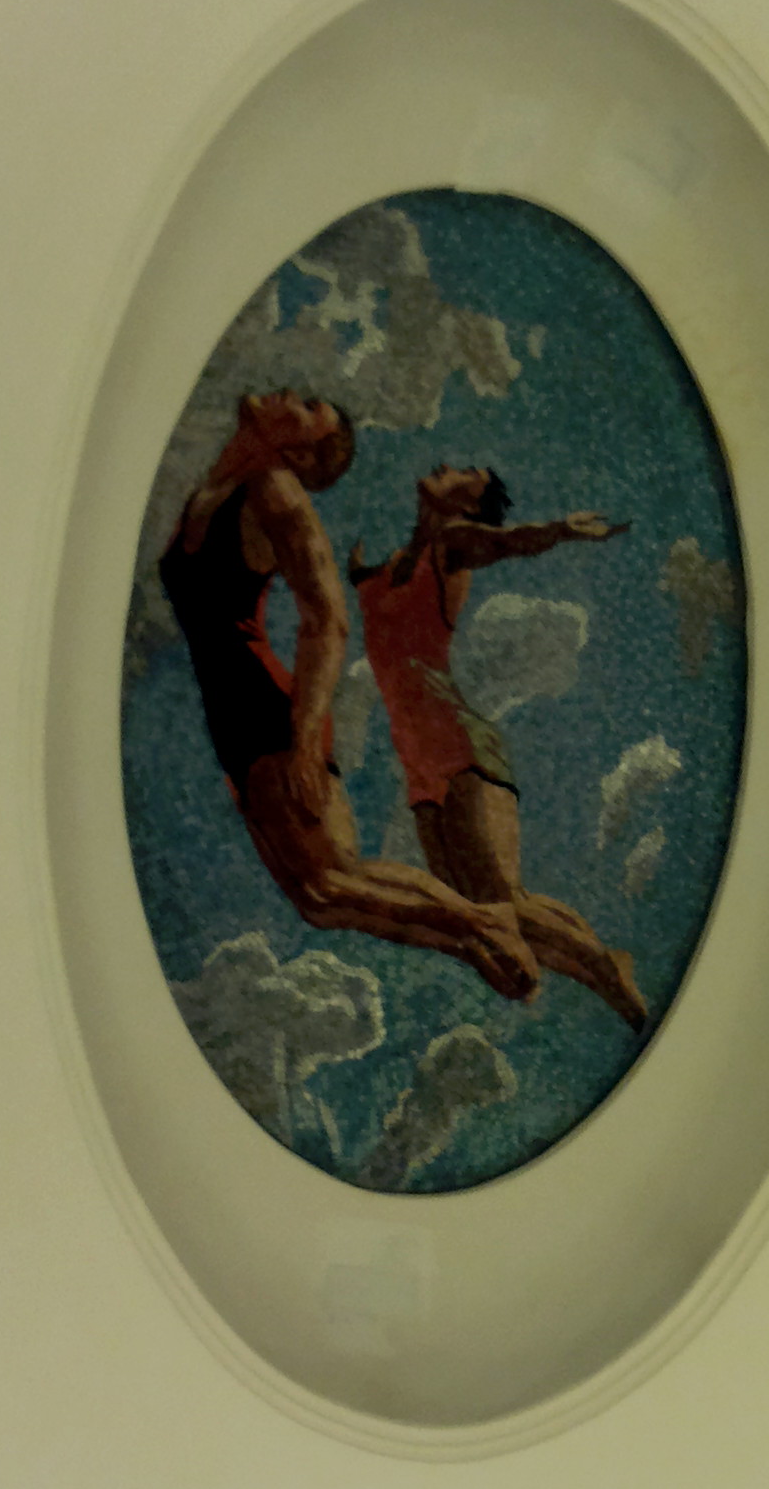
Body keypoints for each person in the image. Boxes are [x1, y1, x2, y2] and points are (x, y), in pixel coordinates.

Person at [159, 393, 539, 1002]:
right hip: (230, 722)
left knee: (335, 878)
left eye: (309, 406)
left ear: (301, 453)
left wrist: (306, 738)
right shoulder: (210, 490)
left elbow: (327, 619)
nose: (291, 394)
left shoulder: (274, 492)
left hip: (271, 714)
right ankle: (472, 942)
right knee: (317, 901)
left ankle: (484, 920)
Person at [350, 465, 646, 1030]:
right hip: (418, 760)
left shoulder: (451, 544)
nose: (448, 467)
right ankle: (600, 968)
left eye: (468, 474)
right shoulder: (392, 563)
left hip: (457, 739)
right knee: (475, 910)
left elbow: (510, 542)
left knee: (499, 901)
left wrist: (561, 529)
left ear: (471, 504)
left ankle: (610, 971)